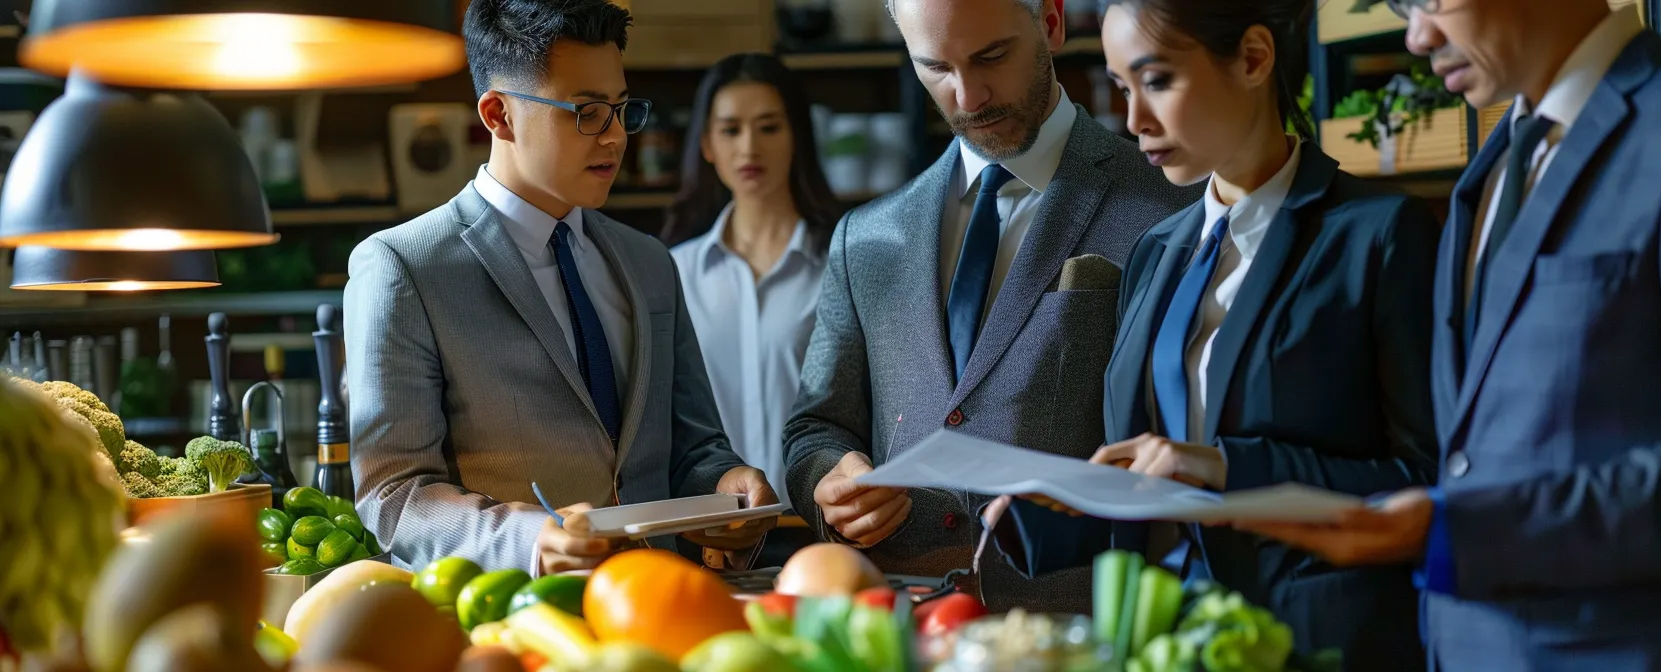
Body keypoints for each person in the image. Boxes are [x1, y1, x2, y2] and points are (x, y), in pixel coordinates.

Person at [1234, 0, 1661, 669]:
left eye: (1430, 2)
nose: (1418, 36)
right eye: (1401, 8)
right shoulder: (1494, 165)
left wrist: (1458, 532)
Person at [982, 0, 1438, 667]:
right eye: (1120, 88)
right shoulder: (1157, 251)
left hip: (1317, 646)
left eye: (1157, 80)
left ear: (1254, 58)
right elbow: (1156, 489)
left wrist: (1229, 468)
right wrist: (1054, 510)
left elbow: (1424, 485)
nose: (1133, 119)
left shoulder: (1380, 235)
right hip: (1165, 644)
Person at [783, 0, 1193, 612]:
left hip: (1080, 629)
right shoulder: (864, 239)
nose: (969, 96)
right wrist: (829, 483)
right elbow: (814, 428)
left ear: (1051, 23)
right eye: (936, 67)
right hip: (901, 628)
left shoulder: (1170, 205)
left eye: (991, 57)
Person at [344, 0, 777, 577]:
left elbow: (692, 447)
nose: (616, 137)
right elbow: (393, 497)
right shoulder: (403, 266)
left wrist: (728, 485)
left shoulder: (648, 262)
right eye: (587, 112)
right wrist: (530, 542)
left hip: (664, 609)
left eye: (622, 109)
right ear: (498, 115)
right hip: (512, 624)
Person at [663, 53, 843, 511]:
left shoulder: (841, 264)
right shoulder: (671, 272)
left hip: (822, 520)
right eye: (730, 130)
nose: (749, 148)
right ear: (706, 144)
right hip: (709, 528)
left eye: (768, 127)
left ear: (797, 137)